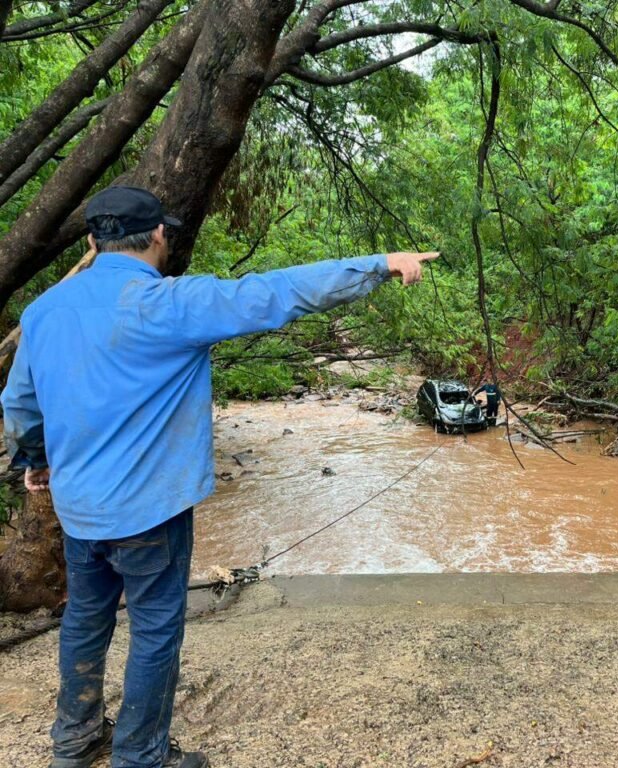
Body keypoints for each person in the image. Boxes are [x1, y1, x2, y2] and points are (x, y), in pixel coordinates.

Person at [0, 185, 438, 768]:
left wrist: (33, 461)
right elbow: (275, 293)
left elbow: (22, 404)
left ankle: (74, 744)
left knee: (85, 617)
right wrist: (380, 266)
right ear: (158, 236)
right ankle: (140, 757)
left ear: (91, 242)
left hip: (80, 508)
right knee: (155, 631)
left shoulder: (44, 311)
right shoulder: (171, 304)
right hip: (150, 513)